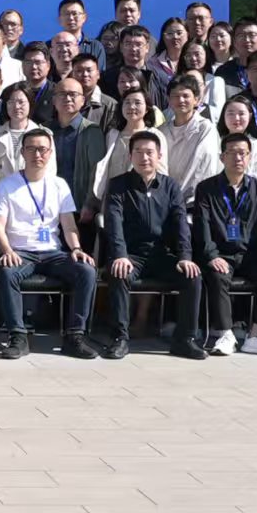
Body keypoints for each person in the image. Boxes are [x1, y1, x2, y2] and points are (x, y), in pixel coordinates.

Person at [0, 125, 99, 361]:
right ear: (22, 153)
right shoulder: (6, 185)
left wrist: (77, 248)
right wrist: (6, 250)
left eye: (42, 150)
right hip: (20, 251)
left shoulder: (59, 185)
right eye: (31, 149)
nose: (37, 154)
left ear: (50, 153)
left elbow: (68, 225)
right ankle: (18, 336)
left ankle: (75, 336)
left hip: (52, 253)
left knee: (86, 271)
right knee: (7, 271)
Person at [98, 130, 203, 360]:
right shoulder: (118, 185)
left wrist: (185, 257)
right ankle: (120, 338)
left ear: (159, 156)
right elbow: (113, 223)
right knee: (118, 273)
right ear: (130, 156)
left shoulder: (170, 186)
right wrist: (120, 254)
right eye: (138, 152)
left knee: (192, 276)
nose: (144, 157)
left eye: (149, 152)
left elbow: (180, 223)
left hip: (161, 255)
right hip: (131, 255)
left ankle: (185, 340)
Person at [193, 132, 257, 358]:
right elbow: (202, 227)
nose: (238, 158)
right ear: (222, 157)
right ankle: (225, 334)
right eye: (232, 153)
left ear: (250, 157)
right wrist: (212, 255)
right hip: (221, 255)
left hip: (249, 256)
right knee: (216, 275)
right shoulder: (206, 188)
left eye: (243, 153)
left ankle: (256, 334)